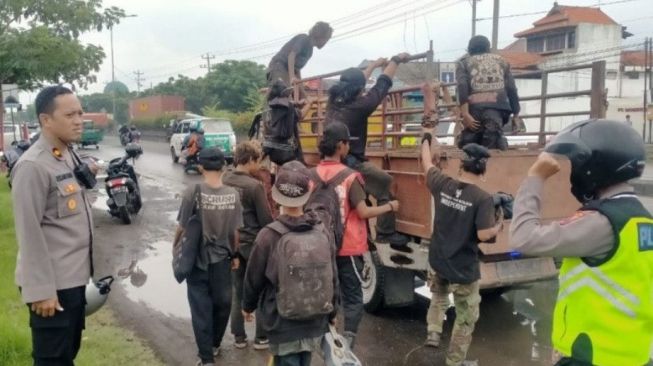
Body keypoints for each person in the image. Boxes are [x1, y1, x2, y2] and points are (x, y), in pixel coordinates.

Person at [509, 119, 653, 366]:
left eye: (577, 165)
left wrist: (535, 178)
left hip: (591, 356)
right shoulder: (642, 220)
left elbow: (523, 238)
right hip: (633, 355)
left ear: (594, 168)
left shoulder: (603, 222)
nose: (574, 172)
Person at [11, 85, 94, 365]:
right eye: (70, 114)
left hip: (74, 280)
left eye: (80, 113)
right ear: (46, 120)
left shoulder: (67, 153)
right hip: (52, 287)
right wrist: (41, 290)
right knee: (51, 360)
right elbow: (28, 232)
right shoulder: (32, 166)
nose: (78, 120)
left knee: (67, 354)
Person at [243, 161, 339, 366]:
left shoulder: (268, 235)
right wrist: (333, 312)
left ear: (276, 192)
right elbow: (332, 276)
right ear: (310, 190)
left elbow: (254, 278)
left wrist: (247, 306)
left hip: (282, 324)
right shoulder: (322, 231)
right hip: (315, 321)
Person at [419, 130, 502, 366]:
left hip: (438, 259)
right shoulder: (482, 199)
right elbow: (484, 234)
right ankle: (455, 361)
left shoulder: (443, 183)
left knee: (438, 296)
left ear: (461, 166)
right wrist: (497, 227)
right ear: (483, 171)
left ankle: (434, 332)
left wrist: (426, 140)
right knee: (466, 317)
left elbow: (427, 163)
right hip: (463, 268)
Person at [314, 122, 400, 348]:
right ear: (341, 146)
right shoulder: (351, 176)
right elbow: (363, 211)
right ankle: (347, 343)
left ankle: (327, 339)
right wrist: (390, 207)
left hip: (319, 245)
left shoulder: (310, 174)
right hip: (348, 248)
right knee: (352, 298)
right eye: (347, 143)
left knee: (326, 294)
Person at [325, 52, 411, 247]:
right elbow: (382, 85)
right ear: (359, 89)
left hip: (334, 158)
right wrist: (395, 61)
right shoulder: (359, 106)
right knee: (385, 181)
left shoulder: (334, 101)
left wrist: (373, 65)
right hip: (350, 162)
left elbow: (359, 82)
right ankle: (385, 232)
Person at [174, 147, 243, 366]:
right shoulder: (233, 195)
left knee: (200, 309)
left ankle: (206, 359)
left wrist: (175, 247)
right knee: (223, 305)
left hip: (196, 261)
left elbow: (182, 227)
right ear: (223, 166)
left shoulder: (192, 191)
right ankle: (213, 345)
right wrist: (235, 255)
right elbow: (235, 233)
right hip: (222, 260)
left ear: (201, 166)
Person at [222, 141, 273, 350]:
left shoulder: (224, 180)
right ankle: (261, 338)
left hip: (230, 244)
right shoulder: (254, 186)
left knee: (238, 290)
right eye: (257, 161)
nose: (259, 166)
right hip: (253, 245)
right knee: (260, 290)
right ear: (250, 160)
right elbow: (266, 220)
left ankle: (239, 337)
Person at [456, 35, 520, 150]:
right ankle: (499, 142)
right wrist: (516, 114)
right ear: (488, 47)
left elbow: (462, 86)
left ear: (470, 49)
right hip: (497, 108)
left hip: (474, 110)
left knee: (469, 144)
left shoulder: (464, 63)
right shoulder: (503, 62)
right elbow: (511, 89)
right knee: (492, 144)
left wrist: (465, 114)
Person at [267, 21, 333, 98]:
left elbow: (297, 70)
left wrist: (304, 93)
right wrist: (292, 78)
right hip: (279, 66)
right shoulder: (304, 38)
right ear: (320, 36)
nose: (326, 42)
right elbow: (291, 56)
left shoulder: (310, 52)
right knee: (281, 93)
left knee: (298, 97)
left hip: (289, 72)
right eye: (326, 39)